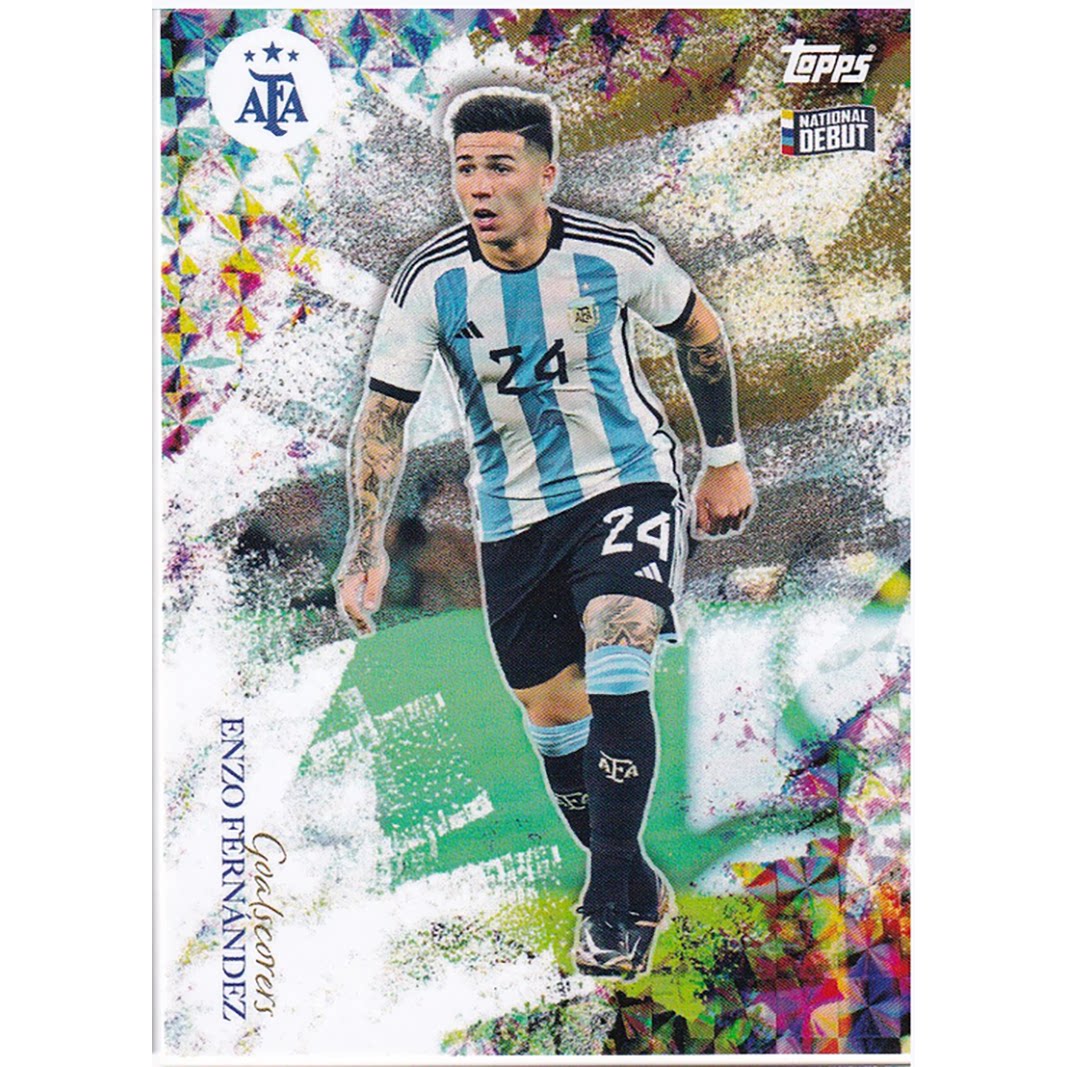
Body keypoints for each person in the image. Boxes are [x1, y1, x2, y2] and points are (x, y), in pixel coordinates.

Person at [335, 87, 754, 977]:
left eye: (499, 166)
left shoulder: (614, 254)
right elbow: (382, 416)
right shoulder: (431, 282)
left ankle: (606, 908)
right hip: (514, 517)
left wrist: (723, 458)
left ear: (545, 174)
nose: (478, 187)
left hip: (626, 483)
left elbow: (700, 331)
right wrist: (363, 543)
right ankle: (630, 875)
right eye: (464, 169)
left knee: (619, 649)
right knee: (553, 714)